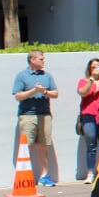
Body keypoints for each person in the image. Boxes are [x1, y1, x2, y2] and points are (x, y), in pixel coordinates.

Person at [12, 50, 58, 186]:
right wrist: (33, 91)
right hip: (27, 116)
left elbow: (55, 93)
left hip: (44, 114)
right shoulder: (22, 76)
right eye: (41, 59)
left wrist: (44, 91)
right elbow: (17, 96)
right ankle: (26, 177)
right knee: (28, 146)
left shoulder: (47, 76)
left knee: (44, 146)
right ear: (32, 60)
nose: (43, 61)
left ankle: (44, 176)